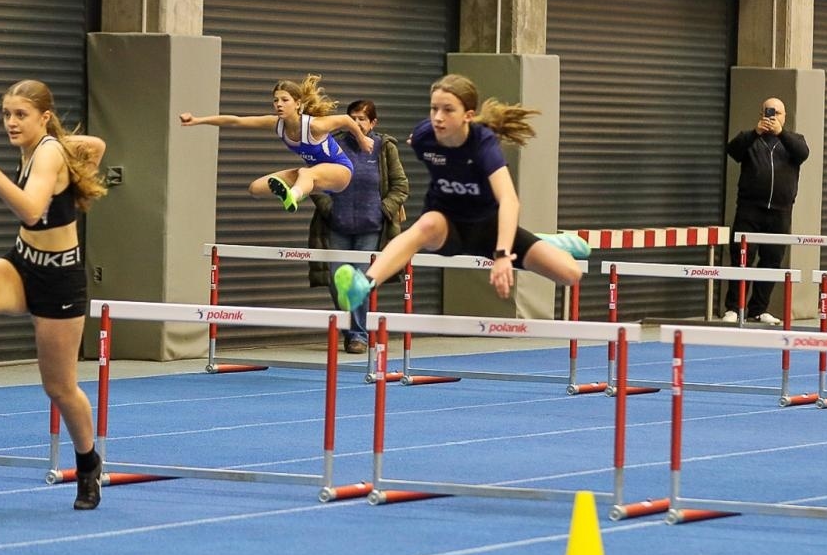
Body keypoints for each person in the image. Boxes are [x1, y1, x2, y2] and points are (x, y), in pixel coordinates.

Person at [0, 80, 109, 511]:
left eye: (21, 115)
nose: (11, 123)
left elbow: (32, 210)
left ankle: (88, 464)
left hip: (60, 280)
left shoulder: (49, 150)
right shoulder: (43, 148)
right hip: (22, 263)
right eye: (6, 114)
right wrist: (74, 152)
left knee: (59, 387)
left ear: (44, 117)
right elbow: (96, 144)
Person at [331, 74, 590, 328]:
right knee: (426, 224)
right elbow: (416, 140)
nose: (438, 117)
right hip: (447, 224)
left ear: (468, 115)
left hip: (490, 230)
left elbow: (509, 200)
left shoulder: (482, 144)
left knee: (570, 274)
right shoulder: (425, 137)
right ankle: (363, 284)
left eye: (448, 110)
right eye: (434, 109)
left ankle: (546, 240)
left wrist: (502, 256)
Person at [179, 74, 374, 212]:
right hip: (316, 175)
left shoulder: (314, 125)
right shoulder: (276, 124)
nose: (279, 104)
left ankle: (296, 196)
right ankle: (298, 191)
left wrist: (362, 139)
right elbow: (235, 120)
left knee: (305, 172)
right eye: (275, 100)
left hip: (340, 172)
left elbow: (346, 121)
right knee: (256, 188)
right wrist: (198, 120)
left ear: (297, 104)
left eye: (284, 100)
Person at [306, 99, 410, 353]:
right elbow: (314, 179)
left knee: (359, 282)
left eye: (362, 118)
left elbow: (400, 186)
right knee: (337, 282)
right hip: (338, 226)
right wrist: (329, 208)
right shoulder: (334, 144)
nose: (357, 123)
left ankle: (358, 336)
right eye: (353, 117)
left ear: (373, 123)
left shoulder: (384, 148)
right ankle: (351, 329)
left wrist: (383, 208)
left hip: (370, 228)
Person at [721, 97, 809, 326]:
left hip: (780, 212)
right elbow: (733, 150)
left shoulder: (793, 141)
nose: (772, 117)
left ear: (784, 116)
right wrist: (754, 132)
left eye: (777, 113)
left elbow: (803, 153)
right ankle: (733, 307)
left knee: (772, 261)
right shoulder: (750, 140)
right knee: (742, 258)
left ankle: (758, 310)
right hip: (750, 210)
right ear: (761, 114)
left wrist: (782, 133)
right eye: (768, 112)